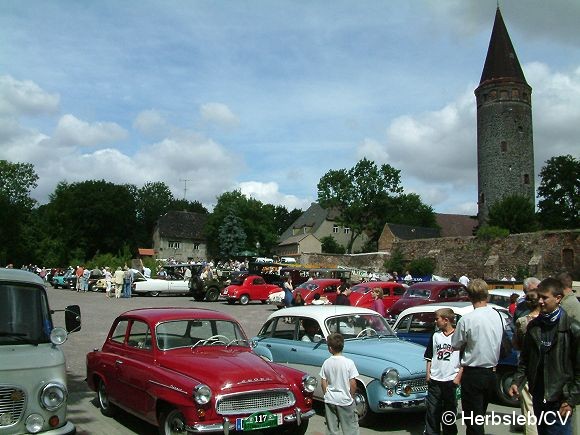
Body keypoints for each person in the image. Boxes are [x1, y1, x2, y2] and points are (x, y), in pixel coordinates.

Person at [509, 277, 580, 435]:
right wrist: (517, 381)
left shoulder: (572, 329)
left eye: (545, 297)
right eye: (539, 297)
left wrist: (570, 400)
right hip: (539, 396)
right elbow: (525, 359)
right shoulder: (534, 327)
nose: (540, 301)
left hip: (560, 399)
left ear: (558, 298)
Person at [451, 279, 503, 435]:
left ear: (470, 296)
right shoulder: (497, 315)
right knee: (479, 417)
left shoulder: (468, 319)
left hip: (473, 372)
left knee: (473, 420)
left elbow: (455, 344)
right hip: (491, 371)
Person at [424, 308, 462, 435]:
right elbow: (430, 356)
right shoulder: (436, 336)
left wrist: (458, 377)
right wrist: (428, 373)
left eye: (437, 319)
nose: (435, 322)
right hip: (435, 379)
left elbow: (464, 360)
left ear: (446, 320)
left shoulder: (458, 336)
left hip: (450, 380)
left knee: (449, 411)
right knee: (432, 410)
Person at [512, 288, 541, 435]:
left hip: (528, 369)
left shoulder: (522, 322)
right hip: (546, 371)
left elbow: (515, 345)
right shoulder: (553, 320)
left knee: (529, 411)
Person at [319, 333, 360, 435]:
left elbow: (323, 381)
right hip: (345, 400)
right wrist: (351, 396)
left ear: (330, 348)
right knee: (351, 429)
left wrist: (326, 394)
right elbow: (353, 383)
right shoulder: (349, 363)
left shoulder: (326, 363)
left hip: (330, 399)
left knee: (332, 429)